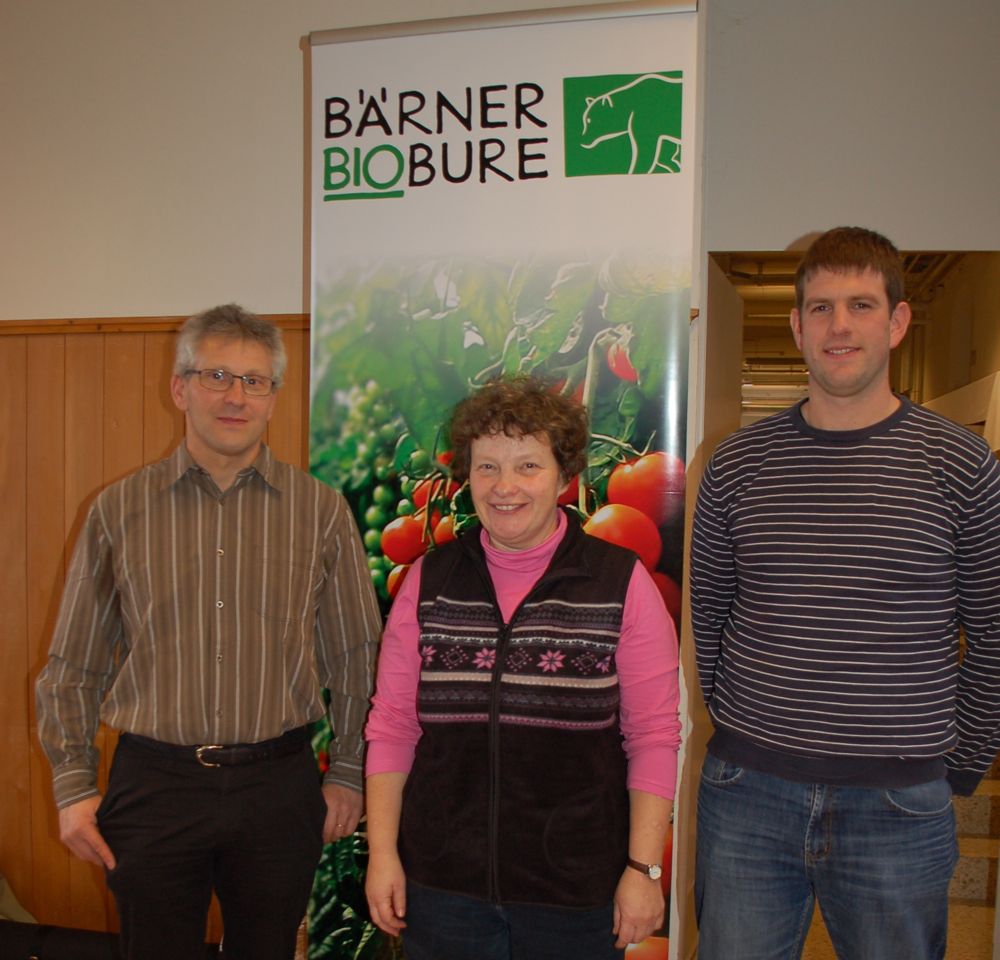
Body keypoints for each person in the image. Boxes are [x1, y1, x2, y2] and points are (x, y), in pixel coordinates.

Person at [36, 303, 382, 960]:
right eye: (216, 375)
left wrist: (347, 770)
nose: (235, 396)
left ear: (274, 397)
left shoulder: (320, 511)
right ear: (180, 388)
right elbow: (73, 665)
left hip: (278, 788)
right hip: (155, 786)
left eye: (254, 381)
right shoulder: (117, 510)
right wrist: (73, 784)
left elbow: (357, 656)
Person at [690, 226, 1000, 959]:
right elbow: (709, 618)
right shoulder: (736, 465)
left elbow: (994, 634)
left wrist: (957, 765)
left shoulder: (962, 464)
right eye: (821, 307)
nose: (839, 326)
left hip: (898, 805)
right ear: (797, 326)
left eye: (861, 304)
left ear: (897, 321)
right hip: (748, 793)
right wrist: (744, 730)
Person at [364, 376, 681, 960]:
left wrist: (644, 869)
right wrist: (383, 853)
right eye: (487, 467)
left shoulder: (620, 582)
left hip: (576, 892)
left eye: (528, 466)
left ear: (564, 478)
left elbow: (654, 736)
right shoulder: (431, 581)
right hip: (444, 888)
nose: (504, 486)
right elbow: (392, 727)